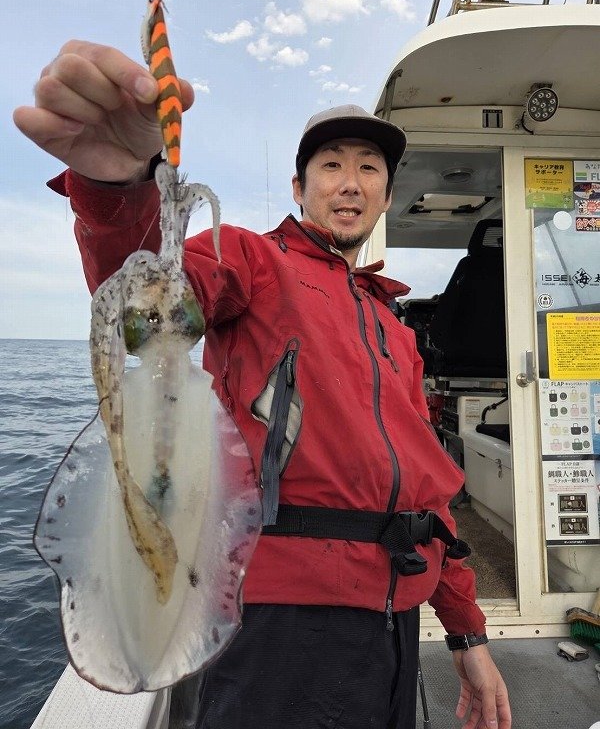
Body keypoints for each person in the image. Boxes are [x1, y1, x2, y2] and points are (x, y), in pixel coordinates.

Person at [14, 40, 511, 729]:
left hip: (393, 622)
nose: (350, 182)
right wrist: (118, 187)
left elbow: (428, 493)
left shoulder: (393, 326)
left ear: (387, 196)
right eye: (330, 165)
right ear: (299, 190)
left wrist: (466, 632)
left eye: (369, 168)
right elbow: (145, 299)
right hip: (281, 620)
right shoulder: (249, 259)